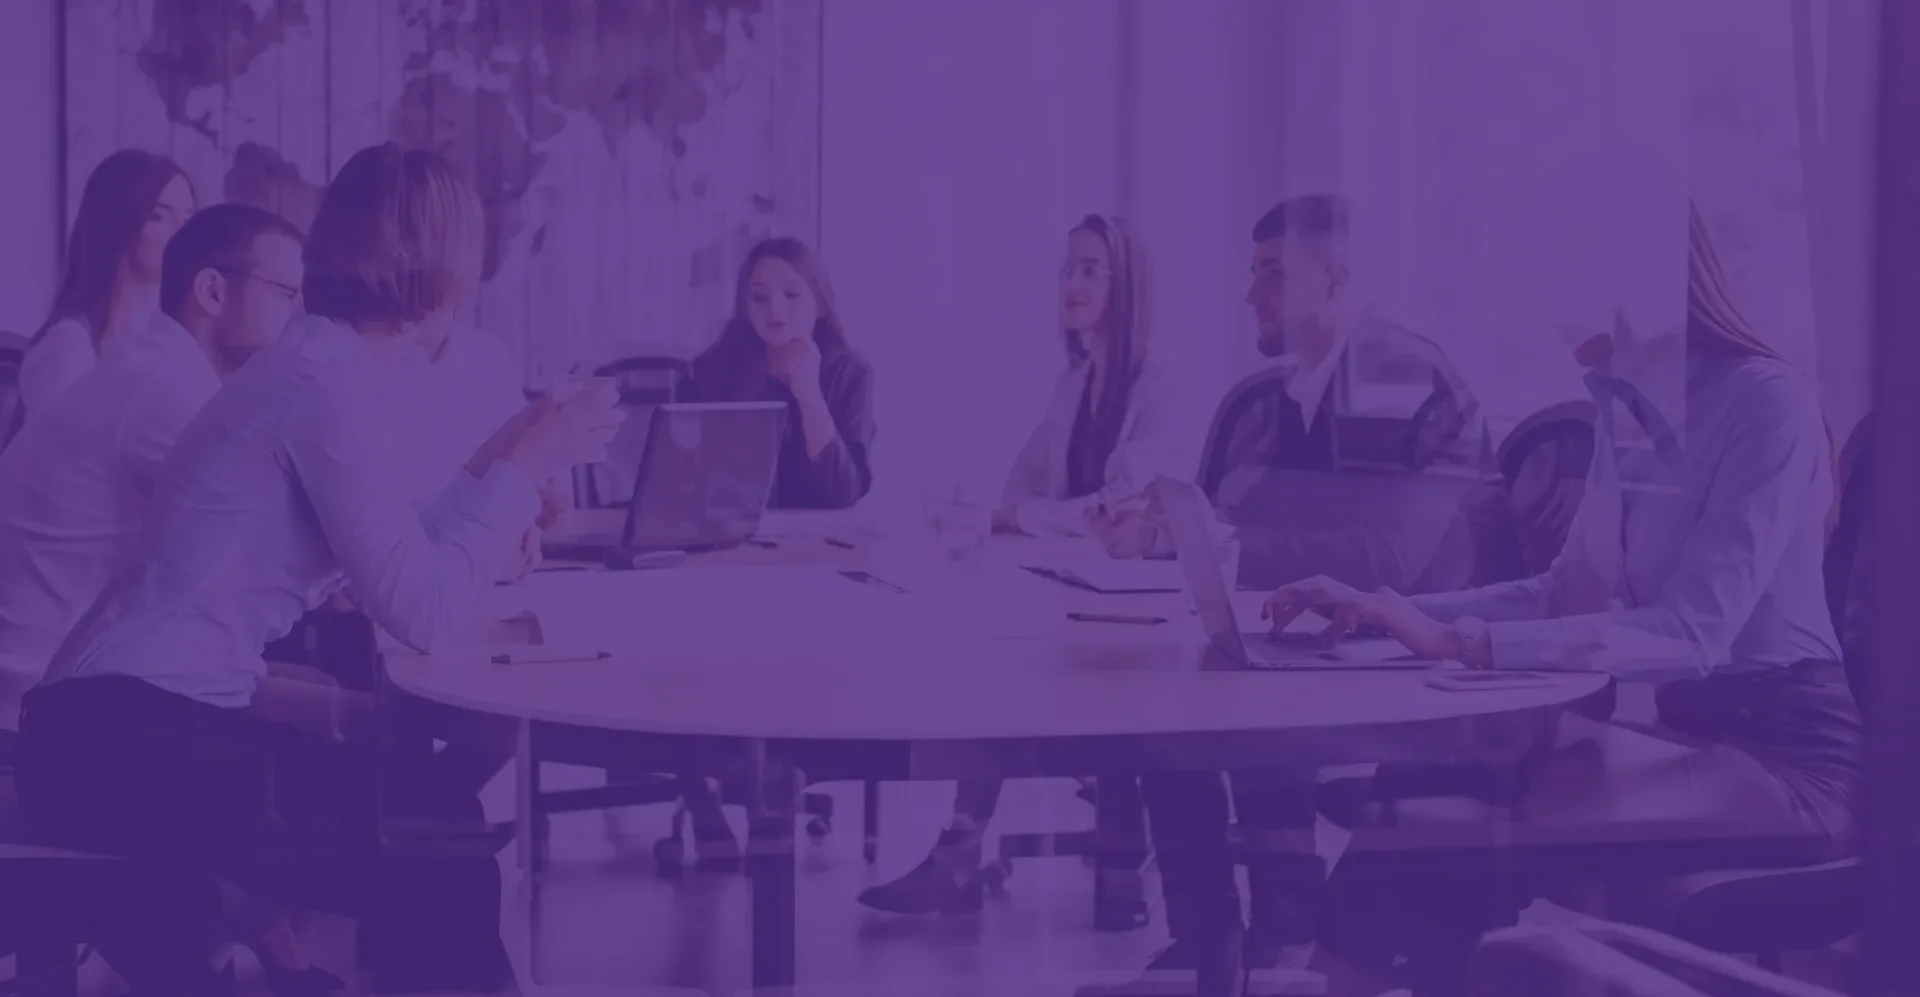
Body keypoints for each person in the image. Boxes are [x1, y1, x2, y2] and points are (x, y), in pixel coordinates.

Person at [12, 143, 623, 996]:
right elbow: (423, 608)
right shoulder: (323, 382)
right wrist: (524, 468)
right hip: (128, 738)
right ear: (439, 266)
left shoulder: (318, 366)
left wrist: (516, 445)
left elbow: (400, 549)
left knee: (429, 809)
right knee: (430, 827)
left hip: (109, 722)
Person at [1257, 205, 1859, 997]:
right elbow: (1563, 590)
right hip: (1691, 737)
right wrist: (1395, 610)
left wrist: (1462, 641)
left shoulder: (1767, 402)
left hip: (1793, 760)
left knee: (1456, 829)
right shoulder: (1632, 404)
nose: (1552, 308)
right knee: (1422, 792)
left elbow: (1695, 630)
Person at [1084, 194, 1499, 995]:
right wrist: (1159, 532)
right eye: (1254, 272)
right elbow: (1234, 524)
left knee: (1214, 707)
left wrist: (1220, 539)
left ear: (1335, 281)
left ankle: (1281, 940)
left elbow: (1388, 558)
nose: (1252, 294)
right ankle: (1207, 946)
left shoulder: (1403, 377)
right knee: (1154, 705)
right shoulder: (1277, 398)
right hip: (1317, 638)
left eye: (1273, 274)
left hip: (1414, 650)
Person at [858, 214, 1191, 921]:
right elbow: (1021, 490)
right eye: (1067, 267)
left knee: (1017, 664)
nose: (1072, 282)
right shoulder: (1073, 382)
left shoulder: (1162, 386)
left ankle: (1066, 860)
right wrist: (1016, 514)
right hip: (1072, 585)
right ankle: (960, 851)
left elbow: (1114, 503)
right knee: (988, 655)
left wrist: (1024, 516)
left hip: (1136, 603)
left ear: (1128, 284)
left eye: (1091, 269)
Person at [683, 236, 876, 510]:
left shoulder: (850, 374)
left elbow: (843, 492)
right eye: (760, 297)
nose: (775, 309)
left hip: (820, 534)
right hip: (735, 529)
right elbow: (694, 482)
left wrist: (809, 394)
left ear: (820, 304)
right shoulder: (713, 370)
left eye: (792, 295)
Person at [16, 150, 195, 427]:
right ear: (118, 223)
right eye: (158, 216)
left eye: (188, 219)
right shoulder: (71, 344)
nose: (181, 233)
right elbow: (54, 450)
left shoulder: (177, 341)